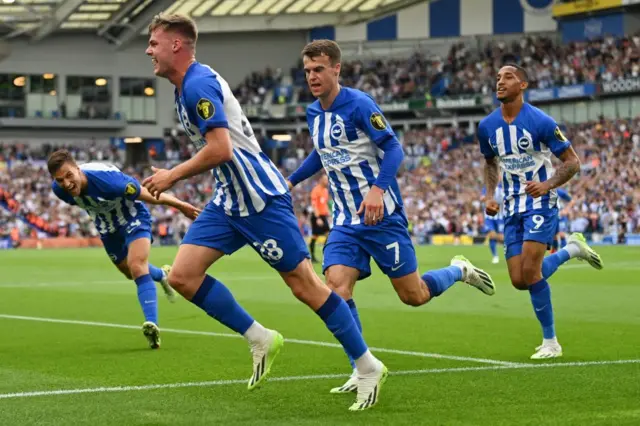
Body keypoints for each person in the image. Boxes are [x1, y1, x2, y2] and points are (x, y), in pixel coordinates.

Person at [142, 14, 386, 411]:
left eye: (154, 42)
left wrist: (173, 175)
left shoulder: (199, 84)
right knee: (183, 277)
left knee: (305, 285)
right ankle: (259, 337)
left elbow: (222, 149)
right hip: (229, 202)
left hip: (260, 201)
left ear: (176, 45)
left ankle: (367, 365)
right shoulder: (184, 88)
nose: (148, 50)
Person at [286, 39, 496, 394]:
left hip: (382, 217)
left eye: (319, 69)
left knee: (413, 295)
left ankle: (459, 270)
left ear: (336, 68)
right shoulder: (313, 113)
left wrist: (377, 190)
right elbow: (321, 154)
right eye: (307, 71)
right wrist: (288, 180)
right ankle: (363, 367)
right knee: (336, 288)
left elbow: (394, 148)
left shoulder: (359, 104)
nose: (312, 77)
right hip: (346, 221)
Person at [478, 64, 604, 359]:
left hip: (540, 203)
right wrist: (490, 195)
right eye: (497, 78)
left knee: (532, 272)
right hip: (510, 206)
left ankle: (551, 342)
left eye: (507, 77)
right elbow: (490, 163)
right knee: (519, 280)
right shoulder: (486, 126)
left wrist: (547, 185)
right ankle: (572, 250)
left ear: (522, 84)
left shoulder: (541, 121)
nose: (500, 82)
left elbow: (572, 162)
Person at [47, 149, 200, 349]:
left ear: (77, 169)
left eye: (69, 176)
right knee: (129, 271)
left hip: (132, 216)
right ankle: (162, 274)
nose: (66, 183)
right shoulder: (59, 191)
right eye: (60, 180)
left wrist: (181, 205)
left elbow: (147, 194)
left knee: (137, 265)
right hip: (106, 226)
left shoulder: (108, 181)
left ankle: (152, 324)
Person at [309, 174, 330, 263]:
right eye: (325, 180)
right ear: (321, 180)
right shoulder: (316, 190)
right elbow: (314, 205)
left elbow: (324, 203)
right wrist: (318, 218)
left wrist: (327, 212)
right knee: (315, 236)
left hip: (323, 216)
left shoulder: (325, 191)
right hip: (316, 216)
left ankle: (326, 255)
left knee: (328, 235)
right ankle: (312, 256)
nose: (327, 182)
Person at [482, 183, 505, 264]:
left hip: (501, 217)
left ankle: (510, 251)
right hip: (489, 217)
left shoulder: (504, 186)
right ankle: (495, 256)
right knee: (492, 235)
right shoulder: (487, 187)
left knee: (502, 237)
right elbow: (483, 198)